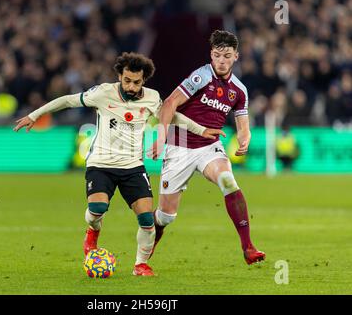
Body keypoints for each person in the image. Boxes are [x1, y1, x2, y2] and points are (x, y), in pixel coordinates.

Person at [14, 52, 225, 276]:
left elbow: (172, 116)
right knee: (97, 210)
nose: (131, 87)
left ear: (144, 80)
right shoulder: (103, 92)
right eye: (127, 81)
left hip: (133, 166)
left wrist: (202, 130)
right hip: (101, 163)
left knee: (146, 219)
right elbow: (67, 100)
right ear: (120, 76)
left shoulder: (152, 98)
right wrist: (35, 114)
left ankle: (140, 265)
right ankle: (92, 233)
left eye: (136, 82)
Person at [149, 30, 266, 265]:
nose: (221, 61)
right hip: (179, 146)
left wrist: (245, 138)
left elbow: (243, 125)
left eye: (226, 56)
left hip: (209, 146)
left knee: (228, 181)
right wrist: (161, 133)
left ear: (236, 57)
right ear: (211, 55)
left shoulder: (239, 90)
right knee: (165, 216)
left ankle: (248, 247)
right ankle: (148, 247)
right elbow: (171, 102)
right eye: (216, 55)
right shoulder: (200, 77)